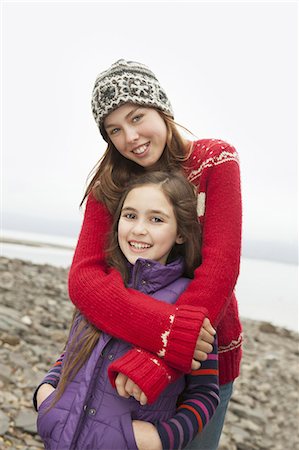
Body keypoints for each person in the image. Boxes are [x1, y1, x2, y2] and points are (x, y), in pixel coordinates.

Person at [35, 59, 243, 449]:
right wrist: (167, 334)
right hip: (117, 355)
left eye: (137, 117)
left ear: (161, 108)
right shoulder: (111, 182)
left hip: (202, 358)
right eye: (114, 129)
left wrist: (162, 358)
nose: (130, 137)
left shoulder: (215, 160)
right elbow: (84, 279)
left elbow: (220, 269)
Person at [35, 171, 220, 450]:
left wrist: (159, 439)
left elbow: (205, 393)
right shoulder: (98, 287)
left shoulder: (190, 306)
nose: (138, 229)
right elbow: (73, 350)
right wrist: (47, 394)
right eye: (130, 216)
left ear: (181, 232)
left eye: (156, 219)